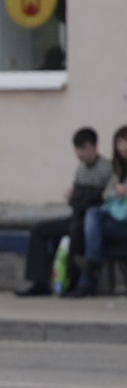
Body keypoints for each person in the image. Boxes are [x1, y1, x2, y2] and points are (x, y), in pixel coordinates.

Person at [14, 127, 113, 296]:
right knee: (39, 229)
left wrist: (82, 198)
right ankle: (40, 281)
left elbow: (102, 199)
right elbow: (76, 199)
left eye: (84, 148)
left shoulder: (106, 168)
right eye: (77, 149)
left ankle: (71, 282)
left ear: (94, 147)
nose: (80, 154)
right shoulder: (80, 169)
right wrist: (73, 196)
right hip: (76, 215)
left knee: (76, 232)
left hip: (90, 221)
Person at [69, 125, 127, 297]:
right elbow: (105, 194)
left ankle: (90, 271)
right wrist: (115, 191)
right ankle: (91, 266)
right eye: (119, 142)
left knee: (89, 227)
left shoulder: (106, 167)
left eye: (125, 141)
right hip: (118, 219)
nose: (122, 146)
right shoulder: (118, 169)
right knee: (92, 216)